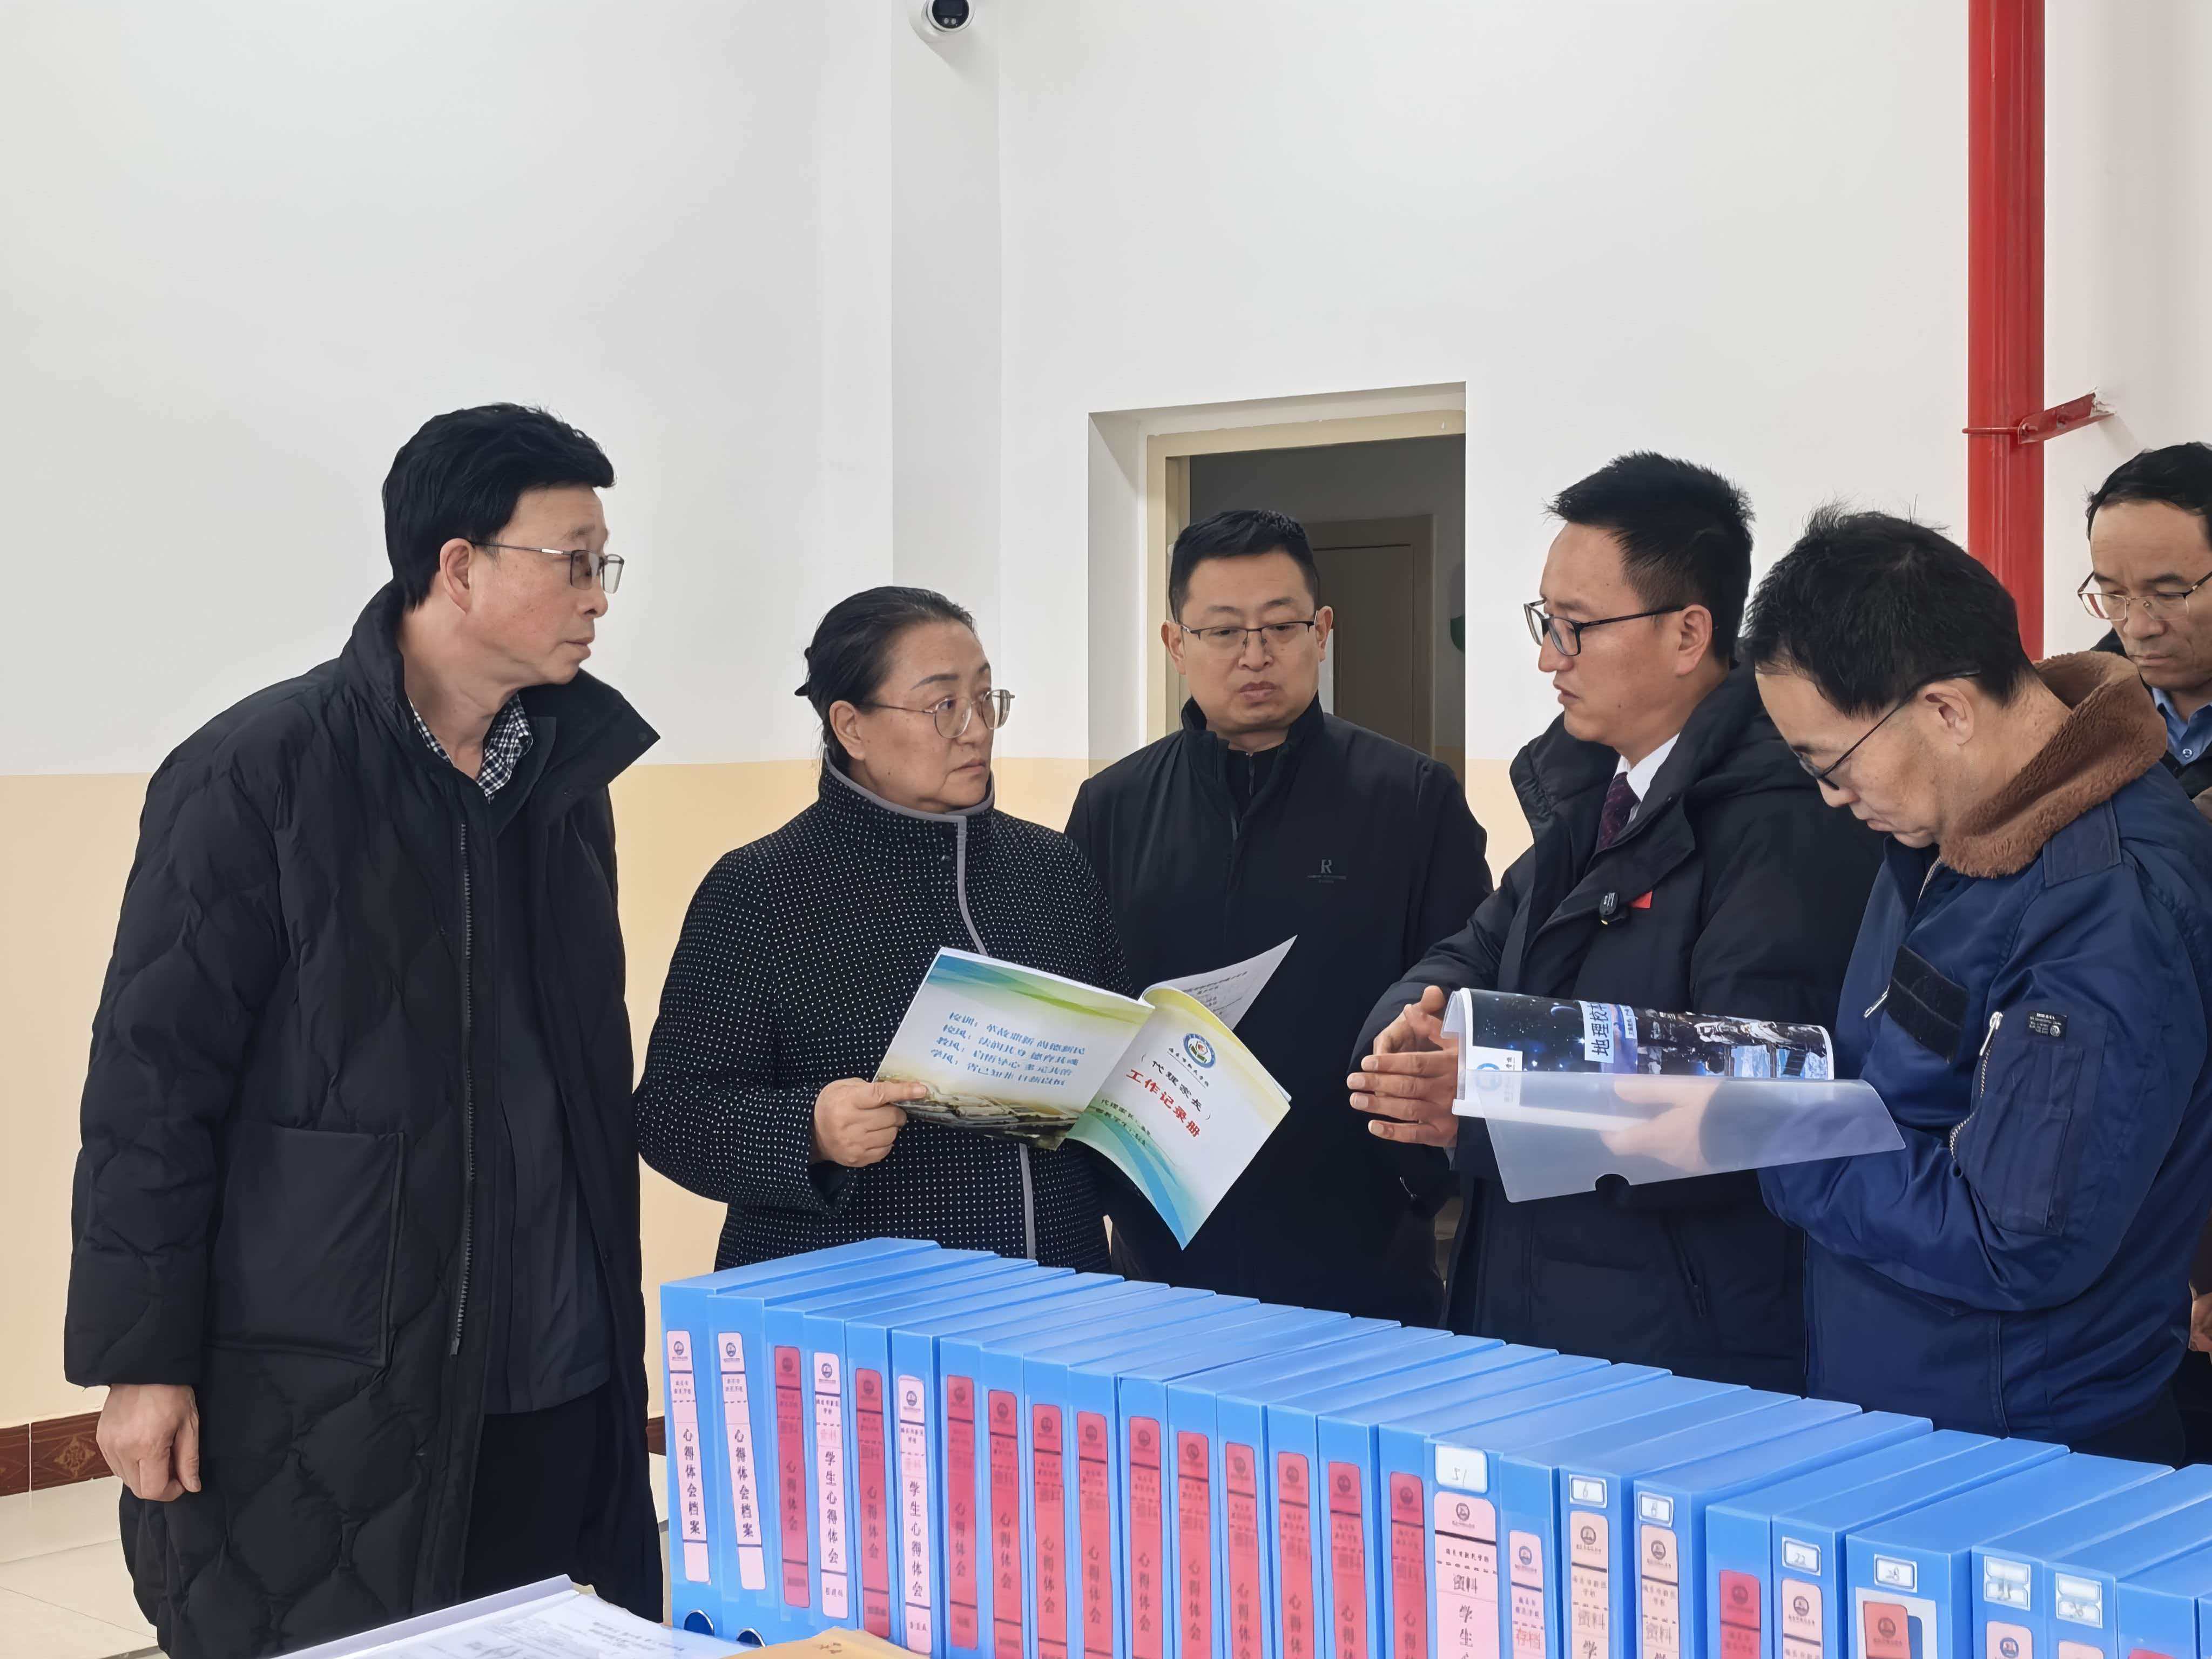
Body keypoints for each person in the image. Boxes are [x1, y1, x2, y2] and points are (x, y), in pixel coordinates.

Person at [64, 405, 661, 1658]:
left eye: (603, 561)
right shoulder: (257, 772)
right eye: (573, 559)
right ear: (459, 565)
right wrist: (143, 1362)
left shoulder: (563, 784)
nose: (598, 596)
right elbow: (151, 1089)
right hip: (335, 1376)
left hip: (558, 1359)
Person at [1347, 453, 1879, 1391]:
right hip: (1538, 1313)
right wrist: (1412, 1036)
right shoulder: (1595, 795)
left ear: (1688, 633)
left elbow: (1751, 1098)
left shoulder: (1782, 826)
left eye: (1576, 627)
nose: (1549, 657)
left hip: (1681, 1357)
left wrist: (1479, 1106)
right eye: (1544, 622)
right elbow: (1470, 952)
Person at [1746, 508, 2212, 1456]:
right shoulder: (1950, 830)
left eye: (1834, 764)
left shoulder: (2104, 899)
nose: (1833, 798)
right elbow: (1905, 1084)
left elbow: (2017, 1238)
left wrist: (1770, 1130)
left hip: (2022, 1444)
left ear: (1947, 709)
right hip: (1913, 1402)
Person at [1066, 508, 1491, 1322]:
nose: (1254, 655)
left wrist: (1414, 1183)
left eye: (1280, 627)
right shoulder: (1112, 807)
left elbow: (1466, 996)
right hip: (1161, 1249)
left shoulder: (1410, 799)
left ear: (1322, 631)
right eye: (1223, 631)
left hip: (1362, 1249)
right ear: (1175, 643)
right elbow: (1084, 1012)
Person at [635, 587, 1123, 1269]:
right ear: (851, 728)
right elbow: (671, 1114)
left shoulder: (1051, 868)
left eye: (984, 698)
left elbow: (1113, 1068)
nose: (977, 729)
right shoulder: (762, 888)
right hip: (855, 1305)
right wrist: (809, 1130)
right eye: (943, 705)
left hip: (1058, 1292)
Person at [2078, 441, 2212, 1454]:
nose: (2139, 622)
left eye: (2170, 590)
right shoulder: (2069, 724)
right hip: (2121, 1182)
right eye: (2113, 591)